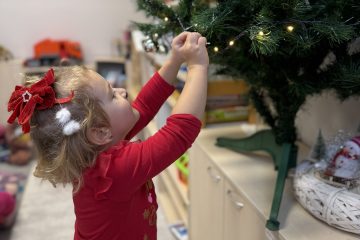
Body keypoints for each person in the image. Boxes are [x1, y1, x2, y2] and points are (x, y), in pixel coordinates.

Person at [7, 31, 208, 240]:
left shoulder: (98, 144)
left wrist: (175, 60)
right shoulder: (114, 170)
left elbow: (144, 106)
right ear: (100, 132)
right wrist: (197, 67)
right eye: (112, 94)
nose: (123, 91)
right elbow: (179, 133)